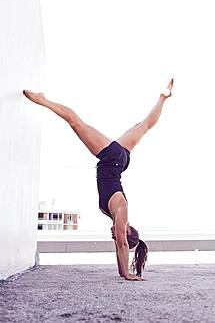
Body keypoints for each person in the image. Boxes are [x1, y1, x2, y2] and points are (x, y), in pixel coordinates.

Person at [23, 78, 174, 281]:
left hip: (119, 161)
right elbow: (121, 243)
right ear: (127, 230)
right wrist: (125, 273)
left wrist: (163, 98)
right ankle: (43, 100)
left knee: (144, 126)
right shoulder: (122, 211)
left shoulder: (114, 213)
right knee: (76, 123)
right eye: (119, 234)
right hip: (111, 158)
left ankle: (163, 98)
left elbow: (121, 241)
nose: (113, 235)